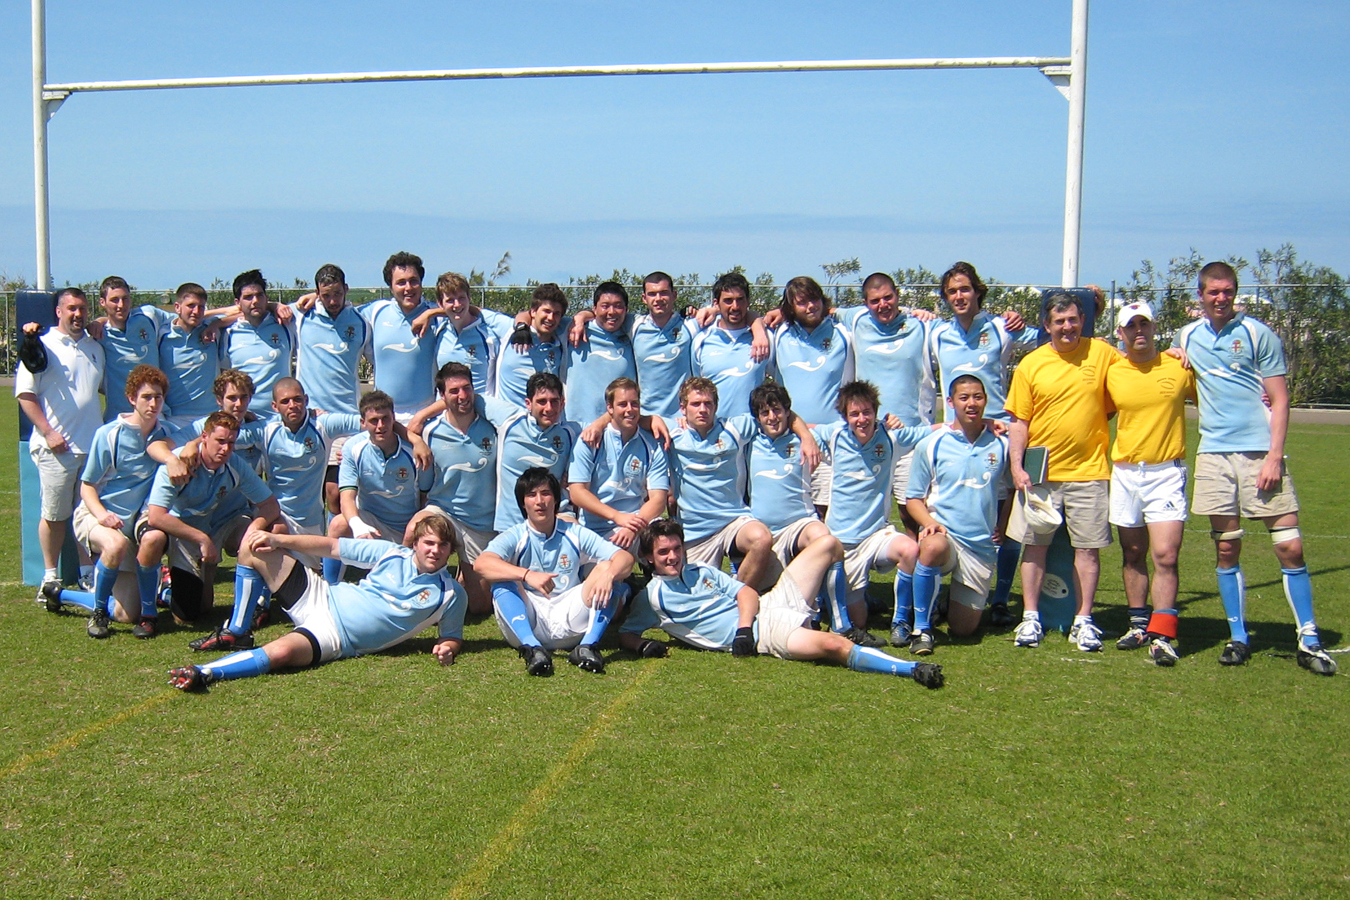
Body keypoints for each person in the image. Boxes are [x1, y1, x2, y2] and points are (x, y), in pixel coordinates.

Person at [1176, 261, 1336, 675]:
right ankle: (1238, 637)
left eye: (1227, 291)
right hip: (1213, 455)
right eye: (1213, 291)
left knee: (1289, 545)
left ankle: (1310, 638)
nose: (1221, 298)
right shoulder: (1187, 337)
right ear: (1200, 294)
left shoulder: (1256, 333)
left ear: (1235, 293)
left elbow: (1279, 400)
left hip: (1259, 454)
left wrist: (1273, 456)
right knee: (1227, 547)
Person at [619, 519, 943, 688]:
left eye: (676, 548)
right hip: (768, 633)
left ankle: (843, 621)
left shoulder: (700, 569)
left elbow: (745, 593)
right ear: (647, 558)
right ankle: (912, 669)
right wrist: (643, 646)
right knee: (833, 646)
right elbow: (627, 632)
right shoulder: (652, 597)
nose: (672, 556)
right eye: (663, 552)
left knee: (828, 543)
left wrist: (742, 627)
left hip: (770, 603)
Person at [168, 515, 466, 691]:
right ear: (415, 543)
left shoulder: (450, 594)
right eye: (428, 542)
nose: (435, 550)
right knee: (253, 546)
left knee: (281, 652)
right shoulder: (389, 553)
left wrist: (447, 649)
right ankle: (238, 630)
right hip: (320, 595)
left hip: (334, 637)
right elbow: (332, 546)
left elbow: (451, 636)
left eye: (442, 545)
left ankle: (204, 671)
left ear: (450, 550)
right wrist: (279, 540)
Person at [927, 261, 1039, 626]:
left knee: (1005, 523)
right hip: (954, 439)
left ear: (978, 292)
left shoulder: (1001, 328)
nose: (959, 296)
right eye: (952, 291)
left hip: (1000, 437)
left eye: (965, 289)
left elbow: (1047, 339)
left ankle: (1002, 600)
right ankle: (939, 591)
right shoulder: (937, 333)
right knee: (945, 514)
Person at [1006, 290, 1117, 652]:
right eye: (1059, 322)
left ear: (1082, 320)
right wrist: (1017, 467)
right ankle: (1030, 618)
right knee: (1034, 547)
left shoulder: (1103, 354)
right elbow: (1019, 421)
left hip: (1090, 472)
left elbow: (1133, 381)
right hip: (1041, 475)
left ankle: (1084, 620)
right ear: (1046, 325)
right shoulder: (1031, 364)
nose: (1066, 327)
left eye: (1072, 319)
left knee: (1087, 550)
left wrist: (1176, 355)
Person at [43, 365, 173, 639]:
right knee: (115, 545)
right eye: (146, 397)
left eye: (158, 397)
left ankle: (60, 594)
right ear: (131, 398)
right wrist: (102, 516)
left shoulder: (166, 434)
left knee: (127, 614)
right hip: (96, 516)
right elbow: (87, 487)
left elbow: (199, 434)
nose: (153, 403)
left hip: (131, 526)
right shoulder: (109, 434)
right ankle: (98, 613)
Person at [1103, 302, 1195, 666]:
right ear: (1120, 333)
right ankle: (1138, 624)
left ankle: (1163, 634)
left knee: (1166, 555)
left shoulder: (1179, 366)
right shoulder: (1113, 371)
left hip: (1166, 472)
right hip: (1126, 472)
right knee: (1133, 553)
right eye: (1131, 325)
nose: (1138, 331)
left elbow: (1215, 398)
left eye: (1145, 324)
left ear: (1155, 328)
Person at [474, 468, 635, 676]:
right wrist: (526, 575)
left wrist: (609, 575)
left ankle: (587, 647)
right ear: (523, 503)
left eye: (545, 493)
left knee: (606, 569)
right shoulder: (516, 534)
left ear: (556, 499)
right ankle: (532, 649)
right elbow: (481, 564)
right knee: (503, 578)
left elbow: (625, 559)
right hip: (529, 621)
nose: (539, 501)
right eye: (531, 495)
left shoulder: (573, 532)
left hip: (571, 619)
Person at [744, 382, 870, 644]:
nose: (772, 417)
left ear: (787, 412)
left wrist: (806, 435)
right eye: (765, 412)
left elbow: (849, 426)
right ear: (757, 417)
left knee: (823, 536)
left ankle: (839, 622)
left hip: (798, 524)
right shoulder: (748, 440)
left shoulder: (805, 438)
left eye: (777, 410)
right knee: (770, 606)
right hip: (763, 533)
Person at [812, 381, 931, 645]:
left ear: (875, 411)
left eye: (867, 412)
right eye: (854, 414)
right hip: (842, 543)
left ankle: (900, 621)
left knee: (910, 550)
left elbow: (932, 431)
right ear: (845, 417)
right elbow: (803, 428)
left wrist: (988, 424)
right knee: (859, 622)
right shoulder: (834, 434)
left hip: (877, 534)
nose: (862, 419)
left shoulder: (890, 436)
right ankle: (852, 597)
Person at [904, 374, 1012, 654]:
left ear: (986, 401)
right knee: (932, 545)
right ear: (950, 402)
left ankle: (943, 600)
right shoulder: (932, 443)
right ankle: (921, 629)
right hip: (947, 537)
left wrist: (1002, 523)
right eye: (964, 398)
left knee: (964, 630)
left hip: (980, 547)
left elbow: (1011, 489)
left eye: (978, 396)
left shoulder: (1002, 443)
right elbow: (914, 498)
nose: (972, 403)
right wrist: (930, 523)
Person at [144, 412, 281, 632]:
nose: (226, 449)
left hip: (216, 525)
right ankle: (166, 589)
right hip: (182, 532)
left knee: (265, 533)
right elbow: (156, 516)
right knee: (188, 615)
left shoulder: (235, 463)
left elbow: (270, 506)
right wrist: (201, 539)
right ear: (204, 437)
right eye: (220, 441)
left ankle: (260, 604)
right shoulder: (180, 462)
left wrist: (252, 532)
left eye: (231, 443)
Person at [16, 287, 105, 599]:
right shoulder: (41, 345)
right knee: (54, 515)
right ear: (58, 311)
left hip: (92, 447)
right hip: (56, 447)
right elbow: (25, 395)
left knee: (89, 514)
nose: (78, 314)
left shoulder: (95, 346)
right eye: (71, 309)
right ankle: (50, 576)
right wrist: (49, 432)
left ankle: (86, 571)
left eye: (82, 308)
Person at [409, 362, 504, 614]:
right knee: (412, 531)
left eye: (466, 389)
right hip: (444, 512)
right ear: (442, 396)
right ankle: (404, 591)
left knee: (479, 607)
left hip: (481, 524)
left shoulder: (494, 428)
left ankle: (460, 579)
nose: (462, 396)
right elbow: (425, 486)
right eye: (454, 391)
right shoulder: (430, 433)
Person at [666, 377, 777, 591]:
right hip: (695, 531)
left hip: (733, 520)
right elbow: (635, 418)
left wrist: (806, 437)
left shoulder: (734, 428)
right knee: (700, 594)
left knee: (761, 538)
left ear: (716, 406)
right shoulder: (671, 431)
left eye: (708, 403)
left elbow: (779, 412)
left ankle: (736, 597)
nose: (703, 409)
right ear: (682, 408)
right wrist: (598, 424)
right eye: (695, 404)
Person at [290, 263, 371, 514]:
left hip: (346, 421)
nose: (333, 300)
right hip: (309, 420)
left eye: (337, 293)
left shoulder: (361, 322)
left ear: (346, 289)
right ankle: (306, 552)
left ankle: (335, 553)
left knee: (335, 493)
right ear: (317, 293)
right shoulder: (300, 316)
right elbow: (262, 308)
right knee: (308, 494)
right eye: (326, 295)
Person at [770, 276, 855, 510]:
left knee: (827, 513)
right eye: (802, 302)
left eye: (814, 299)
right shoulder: (778, 334)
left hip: (831, 439)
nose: (810, 307)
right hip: (790, 437)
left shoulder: (843, 334)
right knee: (791, 512)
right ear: (790, 307)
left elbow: (870, 313)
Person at [567, 377, 669, 550]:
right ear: (609, 408)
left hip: (637, 523)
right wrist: (617, 517)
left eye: (634, 404)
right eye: (623, 404)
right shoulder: (590, 440)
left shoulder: (652, 445)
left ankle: (661, 575)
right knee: (610, 568)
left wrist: (632, 527)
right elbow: (577, 493)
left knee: (667, 540)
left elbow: (658, 499)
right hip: (596, 529)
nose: (630, 410)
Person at [328, 390, 430, 553]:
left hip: (407, 530)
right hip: (372, 525)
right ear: (363, 422)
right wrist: (358, 526)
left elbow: (425, 498)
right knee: (339, 524)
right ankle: (330, 579)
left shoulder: (415, 451)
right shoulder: (352, 448)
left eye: (385, 419)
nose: (381, 426)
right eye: (374, 421)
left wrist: (417, 531)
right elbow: (346, 497)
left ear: (393, 418)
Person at [490, 372, 580, 534]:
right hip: (511, 524)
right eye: (541, 402)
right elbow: (469, 397)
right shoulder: (509, 420)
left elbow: (612, 418)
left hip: (554, 520)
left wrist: (573, 476)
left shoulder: (570, 432)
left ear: (563, 403)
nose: (549, 408)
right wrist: (426, 416)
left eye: (554, 401)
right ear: (528, 403)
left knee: (582, 544)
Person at [361, 252, 438, 419]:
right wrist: (316, 296)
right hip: (384, 414)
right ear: (391, 287)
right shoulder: (376, 312)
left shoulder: (436, 316)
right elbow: (339, 311)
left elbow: (469, 311)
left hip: (424, 412)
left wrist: (432, 313)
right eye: (401, 282)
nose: (408, 288)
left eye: (413, 281)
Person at [691, 272, 773, 420]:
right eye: (728, 301)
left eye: (740, 300)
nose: (735, 306)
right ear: (716, 304)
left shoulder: (765, 339)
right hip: (714, 433)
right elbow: (696, 387)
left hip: (753, 433)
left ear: (748, 301)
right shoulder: (701, 340)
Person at [217, 269, 295, 421]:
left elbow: (316, 300)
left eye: (259, 295)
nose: (255, 301)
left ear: (266, 298)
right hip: (244, 420)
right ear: (237, 303)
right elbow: (225, 379)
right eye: (248, 297)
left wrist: (276, 305)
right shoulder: (227, 334)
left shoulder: (285, 324)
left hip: (280, 420)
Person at [428, 271, 516, 396]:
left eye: (461, 298)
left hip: (479, 411)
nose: (457, 305)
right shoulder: (439, 331)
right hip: (445, 412)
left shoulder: (488, 335)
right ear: (440, 303)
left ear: (469, 298)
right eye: (450, 300)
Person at [565, 282, 638, 425]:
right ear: (594, 309)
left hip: (618, 429)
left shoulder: (633, 335)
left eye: (618, 306)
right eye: (605, 306)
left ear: (626, 310)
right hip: (576, 428)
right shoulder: (573, 329)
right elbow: (534, 314)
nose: (611, 312)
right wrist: (580, 318)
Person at [495, 283, 569, 408]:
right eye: (546, 311)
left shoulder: (560, 345)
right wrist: (521, 326)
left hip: (545, 423)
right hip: (509, 423)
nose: (551, 318)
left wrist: (582, 317)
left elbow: (591, 316)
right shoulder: (509, 330)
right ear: (533, 311)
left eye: (556, 314)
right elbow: (474, 310)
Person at [159, 283, 222, 429]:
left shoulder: (211, 330)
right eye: (191, 306)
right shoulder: (161, 334)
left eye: (201, 307)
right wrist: (101, 320)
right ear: (177, 307)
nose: (196, 311)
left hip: (210, 415)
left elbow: (241, 310)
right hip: (174, 418)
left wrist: (216, 324)